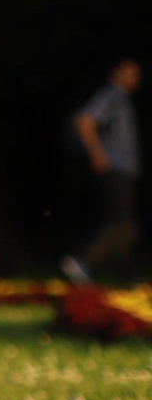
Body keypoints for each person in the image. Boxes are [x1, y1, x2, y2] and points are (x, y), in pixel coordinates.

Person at [66, 58, 142, 283]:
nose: (134, 79)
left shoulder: (123, 100)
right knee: (121, 222)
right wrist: (97, 154)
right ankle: (82, 261)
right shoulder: (112, 96)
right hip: (114, 167)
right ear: (115, 74)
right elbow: (85, 120)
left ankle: (126, 277)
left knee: (126, 224)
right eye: (128, 73)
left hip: (124, 169)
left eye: (136, 74)